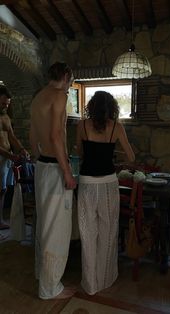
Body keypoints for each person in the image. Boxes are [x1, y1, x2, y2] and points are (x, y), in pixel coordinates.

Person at [76, 90, 135, 295]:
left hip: (86, 182)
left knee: (87, 231)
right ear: (112, 108)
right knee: (108, 230)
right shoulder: (116, 127)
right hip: (109, 181)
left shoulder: (82, 125)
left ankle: (90, 282)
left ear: (91, 106)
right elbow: (131, 156)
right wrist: (115, 160)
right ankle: (105, 278)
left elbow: (79, 152)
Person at [29, 62, 77, 299]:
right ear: (66, 76)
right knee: (56, 228)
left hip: (42, 166)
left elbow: (32, 135)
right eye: (70, 81)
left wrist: (42, 158)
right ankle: (50, 287)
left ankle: (43, 275)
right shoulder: (59, 95)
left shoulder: (38, 97)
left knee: (44, 225)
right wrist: (67, 171)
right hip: (55, 167)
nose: (70, 86)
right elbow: (56, 135)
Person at [0, 86, 29, 240]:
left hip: (5, 158)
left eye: (7, 104)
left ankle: (0, 220)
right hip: (2, 156)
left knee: (3, 189)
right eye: (3, 103)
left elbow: (11, 137)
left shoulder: (5, 117)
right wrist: (10, 156)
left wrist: (21, 149)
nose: (5, 106)